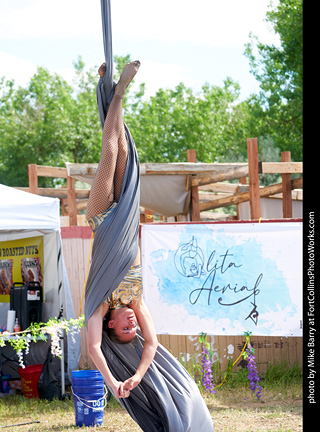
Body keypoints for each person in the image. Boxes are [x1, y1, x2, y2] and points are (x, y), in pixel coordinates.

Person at [84, 59, 214, 431]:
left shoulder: (98, 307)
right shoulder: (137, 301)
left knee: (108, 154)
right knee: (123, 150)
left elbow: (94, 349)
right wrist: (138, 376)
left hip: (101, 220)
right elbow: (152, 345)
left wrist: (111, 382)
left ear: (110, 325)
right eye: (131, 328)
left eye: (123, 329)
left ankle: (115, 91)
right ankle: (110, 93)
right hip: (124, 218)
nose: (129, 324)